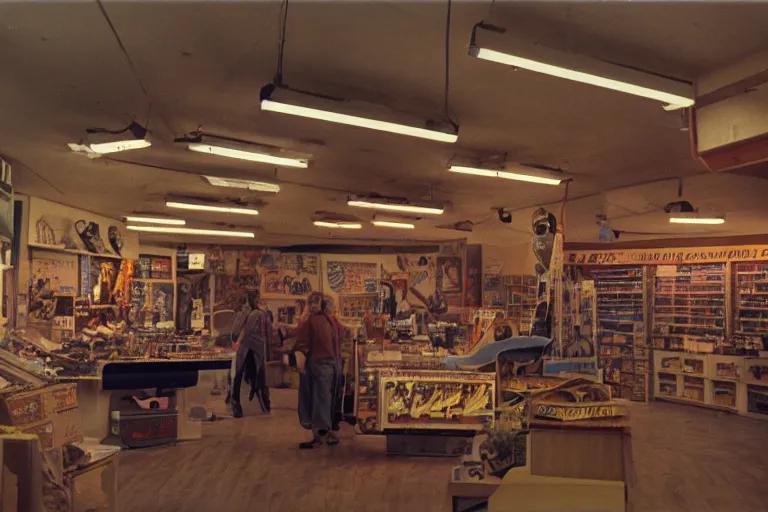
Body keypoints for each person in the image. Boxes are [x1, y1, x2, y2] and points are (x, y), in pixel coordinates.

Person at [294, 292, 345, 448]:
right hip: (335, 364)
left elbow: (302, 342)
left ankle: (320, 434)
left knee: (317, 399)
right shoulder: (332, 320)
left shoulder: (310, 321)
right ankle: (329, 432)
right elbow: (342, 335)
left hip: (319, 363)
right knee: (330, 399)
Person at [231, 290, 272, 418]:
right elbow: (269, 331)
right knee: (259, 375)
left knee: (239, 374)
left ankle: (236, 403)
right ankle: (264, 403)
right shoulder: (260, 313)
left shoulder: (249, 312)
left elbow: (236, 331)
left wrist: (237, 340)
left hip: (247, 347)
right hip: (255, 347)